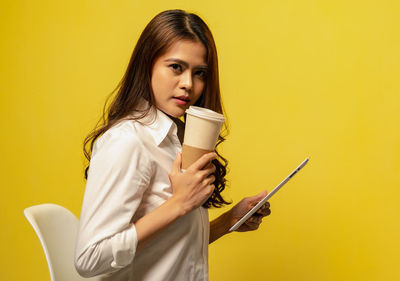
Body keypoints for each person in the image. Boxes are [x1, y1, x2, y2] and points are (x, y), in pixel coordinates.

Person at [75, 9, 271, 281]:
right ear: (147, 65)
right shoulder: (128, 141)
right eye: (176, 67)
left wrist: (230, 221)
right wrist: (179, 203)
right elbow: (89, 257)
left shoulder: (177, 138)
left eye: (200, 73)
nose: (188, 84)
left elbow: (171, 244)